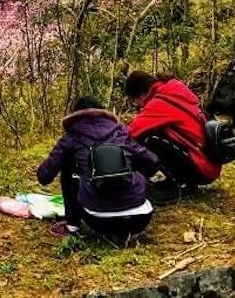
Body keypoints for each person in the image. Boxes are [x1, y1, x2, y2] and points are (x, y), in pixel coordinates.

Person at [37, 96, 158, 245]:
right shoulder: (121, 133)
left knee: (68, 167)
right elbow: (152, 162)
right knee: (136, 161)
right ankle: (131, 202)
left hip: (99, 221)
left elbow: (44, 176)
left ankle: (72, 226)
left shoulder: (71, 138)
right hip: (140, 218)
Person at [124, 71, 221, 200]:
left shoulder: (160, 102)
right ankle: (182, 182)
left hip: (202, 167)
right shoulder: (172, 92)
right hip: (206, 164)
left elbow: (131, 133)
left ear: (142, 94)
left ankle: (176, 186)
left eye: (134, 100)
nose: (136, 105)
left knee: (149, 139)